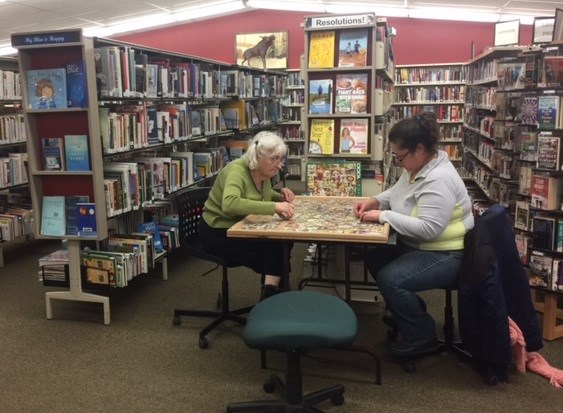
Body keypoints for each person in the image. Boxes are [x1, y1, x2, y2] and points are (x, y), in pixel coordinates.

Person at [353, 111, 474, 357]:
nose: (398, 162)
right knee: (375, 258)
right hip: (422, 246)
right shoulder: (419, 167)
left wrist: (384, 216)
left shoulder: (438, 179)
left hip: (445, 253)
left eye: (400, 157)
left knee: (390, 279)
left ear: (419, 149)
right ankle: (408, 312)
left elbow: (429, 229)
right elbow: (397, 193)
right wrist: (375, 200)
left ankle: (422, 336)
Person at [200, 131, 295, 301]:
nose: (279, 165)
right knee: (274, 247)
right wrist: (274, 206)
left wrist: (278, 196)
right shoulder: (236, 170)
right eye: (274, 159)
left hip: (241, 226)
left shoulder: (264, 173)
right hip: (219, 232)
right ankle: (271, 294)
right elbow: (230, 204)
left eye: (281, 159)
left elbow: (258, 194)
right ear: (258, 156)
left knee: (282, 242)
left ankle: (272, 293)